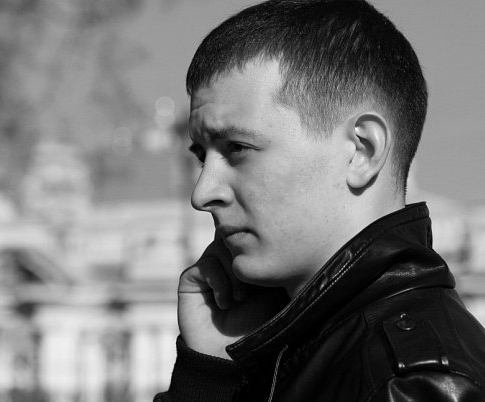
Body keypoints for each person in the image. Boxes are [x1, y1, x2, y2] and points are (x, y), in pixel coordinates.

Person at [154, 0, 485, 401]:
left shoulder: (410, 385)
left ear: (362, 151)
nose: (202, 193)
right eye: (202, 157)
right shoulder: (314, 349)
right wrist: (209, 374)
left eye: (237, 148)